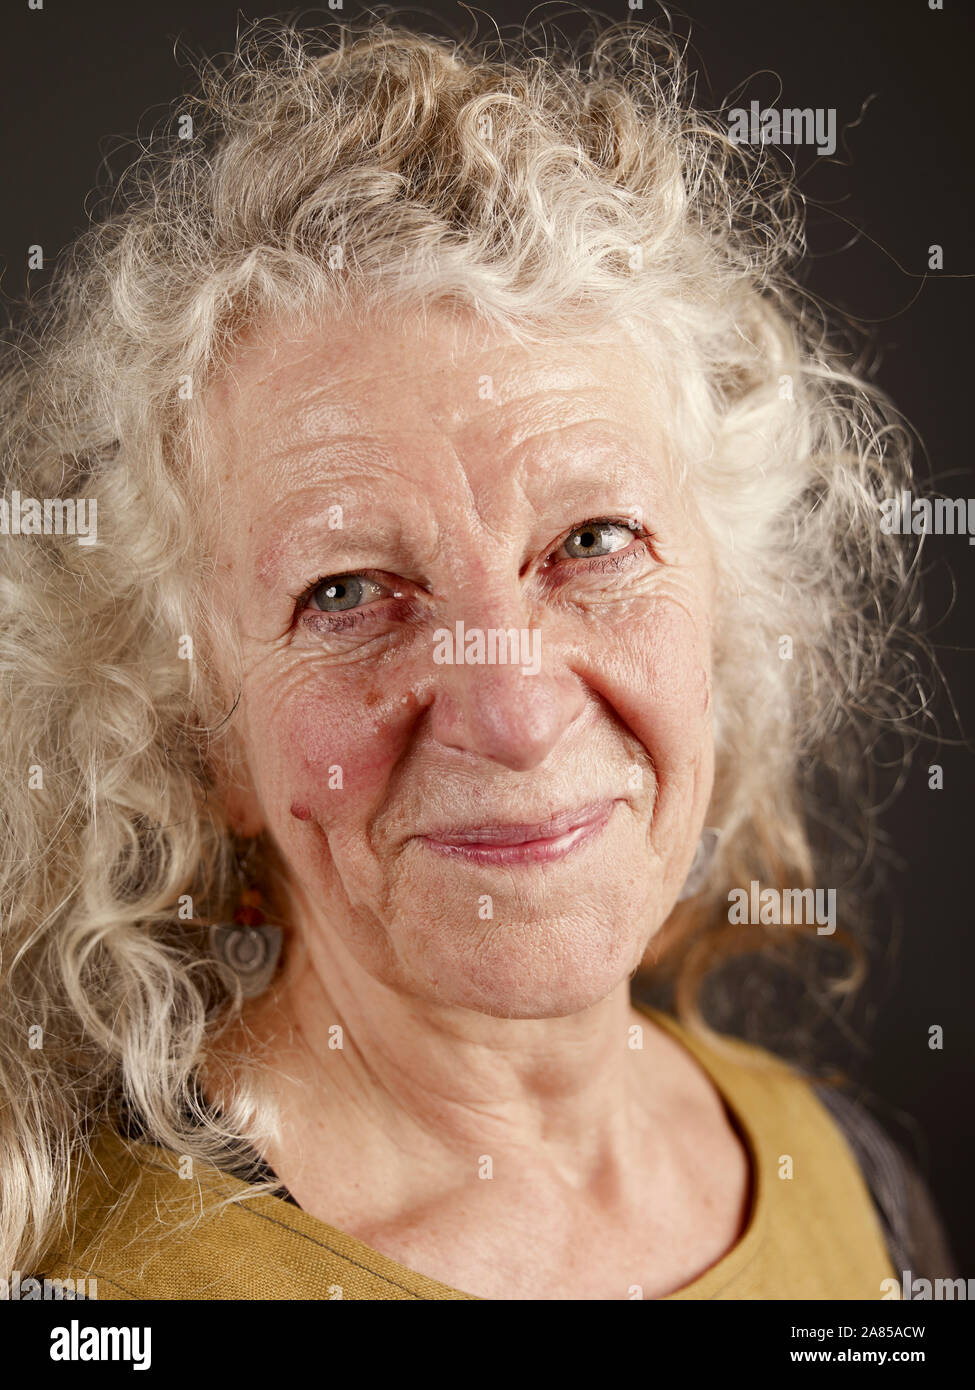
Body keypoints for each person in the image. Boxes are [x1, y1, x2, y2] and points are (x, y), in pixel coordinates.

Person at [0, 16, 954, 1300]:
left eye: (594, 541)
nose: (512, 711)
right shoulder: (98, 1297)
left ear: (726, 622)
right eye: (345, 591)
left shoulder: (851, 1179)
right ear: (204, 734)